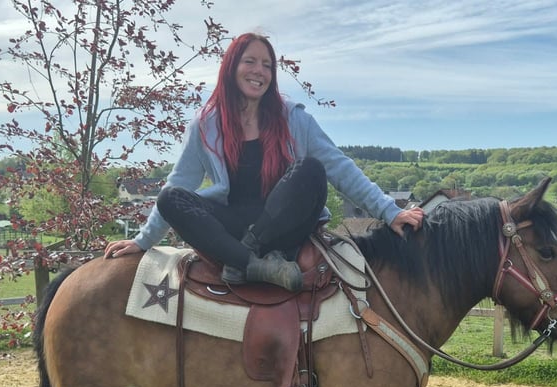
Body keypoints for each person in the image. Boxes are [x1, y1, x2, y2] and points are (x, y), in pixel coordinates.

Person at [104, 32, 424, 291]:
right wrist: (143, 241)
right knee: (170, 197)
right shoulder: (206, 124)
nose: (259, 71)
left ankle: (242, 258)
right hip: (232, 224)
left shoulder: (294, 119)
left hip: (285, 228)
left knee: (311, 169)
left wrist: (390, 211)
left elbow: (340, 167)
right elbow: (180, 182)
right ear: (231, 67)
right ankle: (253, 264)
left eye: (267, 65)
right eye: (250, 61)